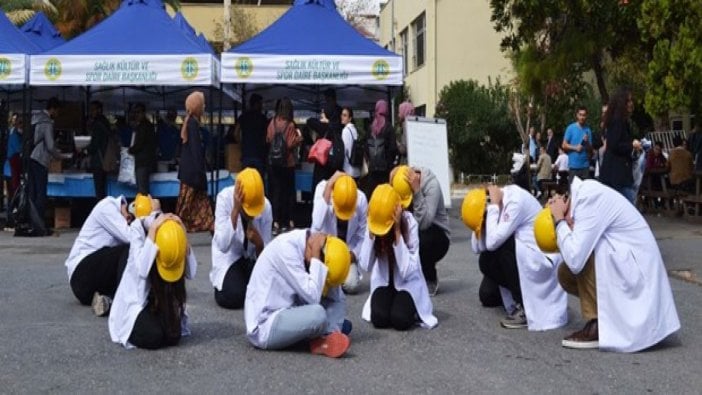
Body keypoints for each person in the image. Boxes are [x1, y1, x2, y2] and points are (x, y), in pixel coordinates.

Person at [538, 177, 680, 352]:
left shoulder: (589, 197)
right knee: (565, 273)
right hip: (629, 266)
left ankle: (596, 323)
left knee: (581, 259)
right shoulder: (583, 198)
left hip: (638, 274)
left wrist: (559, 221)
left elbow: (576, 259)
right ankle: (607, 319)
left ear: (564, 199)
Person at [460, 185, 567, 331]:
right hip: (522, 255)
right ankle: (515, 291)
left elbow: (491, 244)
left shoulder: (514, 201)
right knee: (487, 296)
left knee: (499, 248)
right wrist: (484, 221)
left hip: (539, 259)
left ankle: (524, 305)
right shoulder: (495, 204)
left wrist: (492, 208)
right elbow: (477, 248)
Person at [244, 230, 353, 358]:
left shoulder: (310, 244)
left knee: (337, 310)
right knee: (318, 314)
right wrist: (316, 256)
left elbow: (338, 296)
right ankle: (319, 332)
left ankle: (324, 335)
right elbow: (312, 297)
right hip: (266, 324)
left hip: (289, 308)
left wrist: (333, 332)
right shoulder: (286, 249)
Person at [109, 214, 197, 350]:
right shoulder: (138, 234)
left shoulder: (173, 237)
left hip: (159, 302)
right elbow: (142, 270)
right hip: (138, 305)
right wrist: (152, 232)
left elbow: (191, 272)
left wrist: (184, 236)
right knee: (153, 337)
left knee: (173, 336)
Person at [359, 184, 437, 330]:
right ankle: (393, 304)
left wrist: (397, 233)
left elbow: (408, 270)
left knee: (400, 320)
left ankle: (408, 307)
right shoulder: (374, 222)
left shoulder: (410, 223)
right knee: (379, 318)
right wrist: (370, 233)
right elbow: (365, 265)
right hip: (384, 283)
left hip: (407, 284)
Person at [65, 195, 155, 316]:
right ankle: (126, 300)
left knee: (136, 257)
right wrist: (148, 222)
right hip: (81, 274)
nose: (129, 221)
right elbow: (130, 238)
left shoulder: (124, 219)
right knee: (129, 250)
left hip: (93, 288)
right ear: (129, 207)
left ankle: (108, 302)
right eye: (130, 218)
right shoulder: (107, 206)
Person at [211, 168, 272, 309]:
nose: (251, 215)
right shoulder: (224, 199)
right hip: (230, 258)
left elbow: (269, 257)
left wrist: (259, 244)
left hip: (252, 259)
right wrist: (235, 212)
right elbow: (222, 245)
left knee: (271, 290)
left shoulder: (266, 206)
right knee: (234, 296)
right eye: (248, 210)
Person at [390, 165, 449, 296]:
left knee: (422, 238)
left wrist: (417, 192)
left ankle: (430, 277)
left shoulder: (432, 185)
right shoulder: (403, 179)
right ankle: (407, 275)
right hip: (417, 226)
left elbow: (424, 222)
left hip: (437, 235)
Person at [311, 172, 368, 294]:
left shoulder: (361, 199)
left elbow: (363, 236)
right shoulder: (322, 189)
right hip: (324, 250)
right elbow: (317, 223)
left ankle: (333, 280)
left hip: (347, 253)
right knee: (318, 285)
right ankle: (330, 280)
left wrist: (352, 255)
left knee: (352, 285)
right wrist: (329, 187)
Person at [176, 91, 214, 233]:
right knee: (187, 206)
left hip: (190, 173)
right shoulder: (192, 125)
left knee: (194, 204)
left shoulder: (190, 122)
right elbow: (195, 150)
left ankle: (211, 227)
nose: (204, 107)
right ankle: (179, 229)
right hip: (193, 174)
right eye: (202, 104)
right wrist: (200, 172)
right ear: (197, 106)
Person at [598, 88, 642, 204]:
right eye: (628, 101)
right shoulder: (617, 121)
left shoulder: (621, 121)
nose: (631, 103)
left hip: (618, 174)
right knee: (628, 204)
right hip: (616, 175)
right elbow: (614, 144)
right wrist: (631, 145)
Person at [267, 97, 302, 234]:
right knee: (288, 193)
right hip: (288, 163)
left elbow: (268, 139)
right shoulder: (291, 125)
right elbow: (289, 144)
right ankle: (288, 221)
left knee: (275, 192)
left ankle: (275, 222)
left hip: (273, 163)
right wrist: (298, 140)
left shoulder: (272, 122)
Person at [29, 97, 63, 229]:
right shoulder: (47, 122)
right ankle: (39, 224)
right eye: (58, 111)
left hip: (30, 158)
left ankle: (31, 221)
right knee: (41, 192)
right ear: (53, 109)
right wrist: (59, 155)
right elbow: (49, 146)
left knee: (32, 191)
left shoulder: (35, 119)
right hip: (40, 159)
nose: (58, 114)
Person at [365, 100, 398, 199]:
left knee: (373, 195)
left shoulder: (370, 128)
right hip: (385, 170)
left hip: (372, 169)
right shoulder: (389, 128)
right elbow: (393, 148)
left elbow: (366, 148)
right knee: (385, 196)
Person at [128, 103, 157, 196]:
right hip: (146, 161)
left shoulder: (144, 126)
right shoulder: (146, 125)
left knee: (142, 190)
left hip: (143, 162)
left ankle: (144, 209)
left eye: (138, 112)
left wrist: (130, 150)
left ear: (143, 113)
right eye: (135, 113)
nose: (136, 115)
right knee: (143, 188)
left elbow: (139, 144)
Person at [236, 94, 268, 177]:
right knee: (259, 181)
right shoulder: (263, 118)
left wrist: (241, 144)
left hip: (246, 154)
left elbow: (236, 133)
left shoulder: (243, 116)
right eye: (261, 103)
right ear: (256, 104)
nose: (262, 106)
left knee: (246, 180)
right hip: (259, 155)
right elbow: (267, 137)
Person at [86, 101, 111, 200]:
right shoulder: (105, 123)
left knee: (99, 191)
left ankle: (101, 211)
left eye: (93, 110)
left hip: (98, 161)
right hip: (104, 159)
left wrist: (86, 150)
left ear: (99, 110)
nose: (91, 112)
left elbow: (94, 145)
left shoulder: (98, 125)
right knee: (102, 188)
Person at [562, 106, 593, 183]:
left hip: (585, 166)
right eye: (580, 115)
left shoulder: (588, 130)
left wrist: (587, 143)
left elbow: (591, 150)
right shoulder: (571, 128)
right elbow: (564, 145)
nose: (582, 117)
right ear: (577, 115)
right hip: (574, 166)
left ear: (586, 116)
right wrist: (575, 148)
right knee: (573, 192)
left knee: (584, 193)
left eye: (584, 115)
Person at [4, 113, 23, 203]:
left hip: (12, 164)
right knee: (13, 188)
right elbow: (19, 148)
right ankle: (13, 206)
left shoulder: (15, 134)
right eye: (20, 123)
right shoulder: (14, 135)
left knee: (13, 187)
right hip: (12, 164)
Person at [340, 107, 361, 179]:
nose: (342, 117)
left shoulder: (345, 130)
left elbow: (345, 149)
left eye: (345, 115)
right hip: (357, 168)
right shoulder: (354, 129)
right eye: (342, 115)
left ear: (350, 118)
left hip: (348, 169)